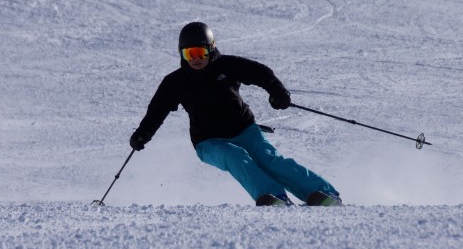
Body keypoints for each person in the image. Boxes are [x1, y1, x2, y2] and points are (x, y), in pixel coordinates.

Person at [129, 22, 341, 206]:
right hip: (208, 142)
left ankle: (323, 192)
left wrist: (278, 92)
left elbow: (261, 73)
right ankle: (273, 196)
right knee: (235, 156)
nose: (195, 59)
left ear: (211, 49)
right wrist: (143, 133)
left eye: (200, 52)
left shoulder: (227, 66)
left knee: (269, 161)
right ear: (182, 54)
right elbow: (157, 110)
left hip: (245, 130)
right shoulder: (176, 82)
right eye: (189, 54)